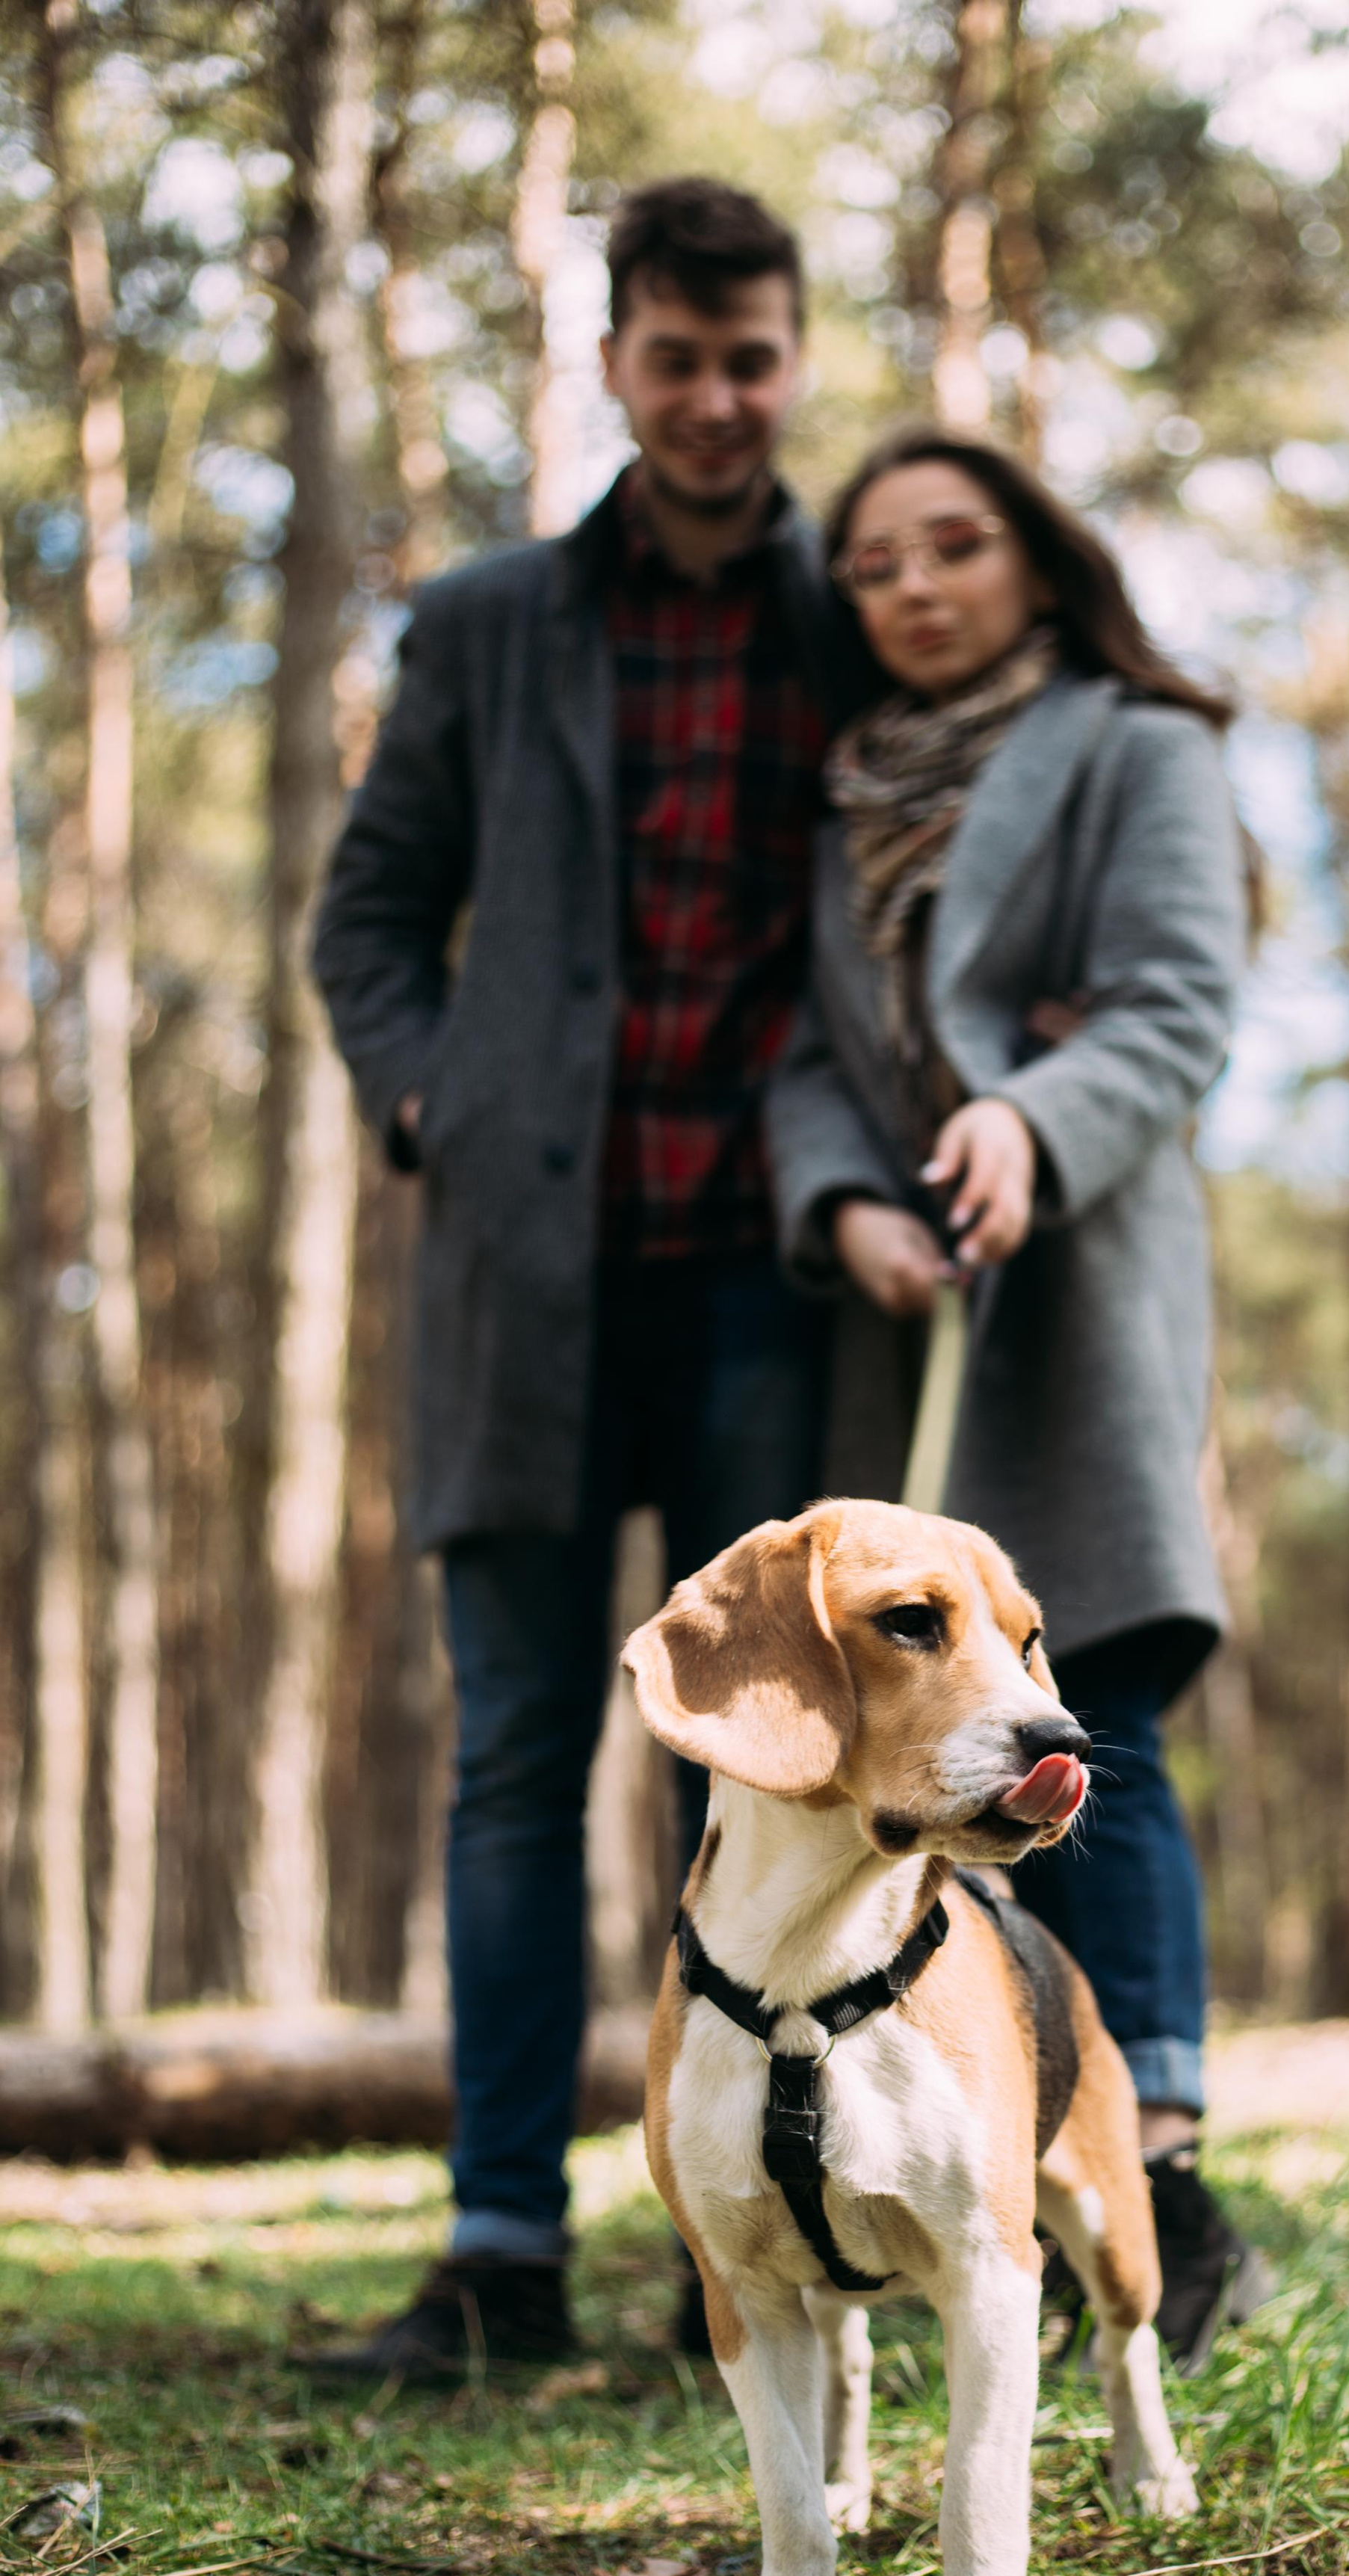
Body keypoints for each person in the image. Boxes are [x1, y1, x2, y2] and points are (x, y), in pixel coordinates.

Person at [302, 180, 868, 2385]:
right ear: (616, 362)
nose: (716, 400)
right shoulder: (488, 624)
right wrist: (433, 1097)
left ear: (789, 359)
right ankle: (499, 2256)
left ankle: (753, 2247)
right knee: (522, 1756)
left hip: (767, 1289)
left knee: (760, 1774)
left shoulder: (865, 606)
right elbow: (369, 922)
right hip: (523, 1287)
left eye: (752, 359)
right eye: (675, 358)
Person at [765, 426, 1269, 2369]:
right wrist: (842, 1207)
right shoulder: (839, 801)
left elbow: (1173, 1001)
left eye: (953, 548)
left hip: (1080, 1296)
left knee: (1087, 1708)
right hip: (904, 1314)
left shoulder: (1141, 747)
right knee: (888, 1736)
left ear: (1038, 566)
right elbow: (815, 1060)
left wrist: (1031, 1123)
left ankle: (1162, 2166)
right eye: (876, 565)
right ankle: (878, 2155)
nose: (911, 586)